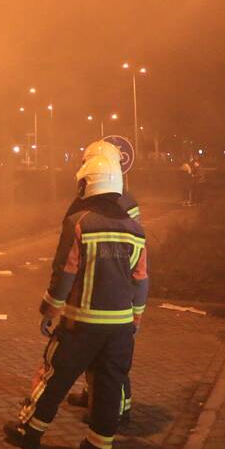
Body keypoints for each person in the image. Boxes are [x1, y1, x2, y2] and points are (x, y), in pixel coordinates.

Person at [3, 154, 148, 449]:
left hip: (81, 324)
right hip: (121, 327)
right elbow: (141, 279)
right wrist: (135, 318)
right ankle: (99, 447)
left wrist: (49, 310)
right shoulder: (136, 230)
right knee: (109, 384)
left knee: (54, 376)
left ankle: (29, 431)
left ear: (88, 184)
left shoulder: (79, 223)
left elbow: (65, 272)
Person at [63, 140, 138, 420]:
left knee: (111, 361)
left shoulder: (117, 204)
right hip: (115, 293)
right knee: (106, 358)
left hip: (102, 293)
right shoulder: (121, 199)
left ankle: (118, 407)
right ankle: (103, 400)